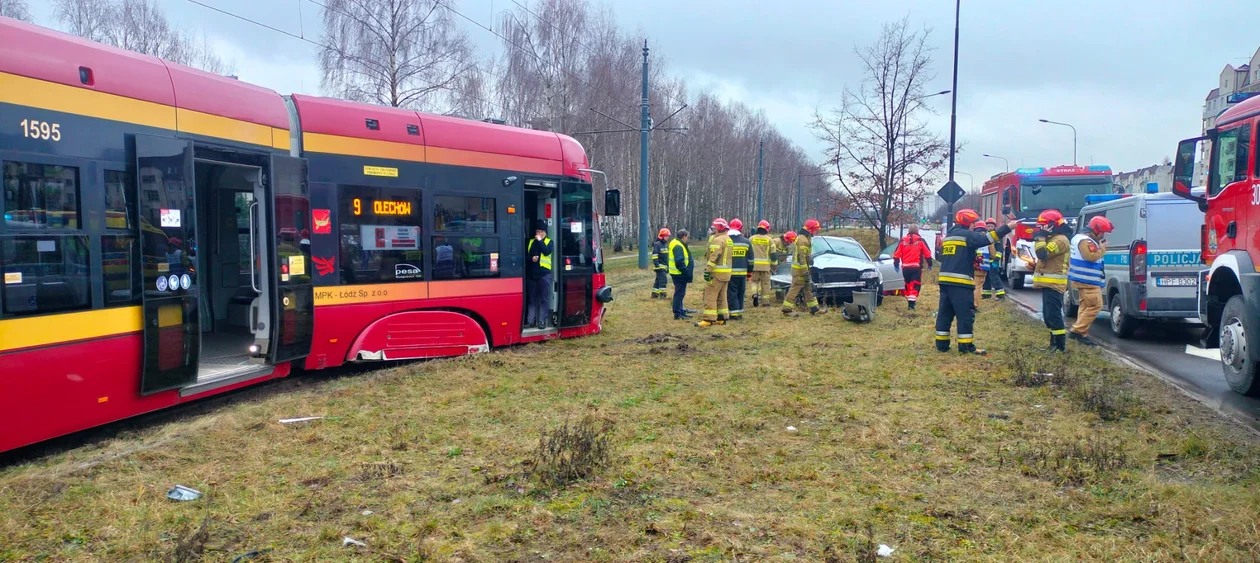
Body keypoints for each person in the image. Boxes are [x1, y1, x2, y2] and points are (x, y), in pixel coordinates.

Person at [935, 209, 1016, 355]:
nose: (974, 226)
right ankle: (966, 347)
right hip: (961, 283)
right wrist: (1008, 227)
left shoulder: (949, 236)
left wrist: (971, 259)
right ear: (967, 223)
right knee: (965, 315)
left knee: (945, 314)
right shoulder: (967, 235)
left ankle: (942, 345)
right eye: (973, 223)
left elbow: (952, 257)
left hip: (945, 282)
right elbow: (987, 239)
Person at [1068, 215, 1113, 346]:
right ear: (1096, 230)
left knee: (1085, 306)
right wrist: (1102, 249)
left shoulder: (1079, 238)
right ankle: (1077, 331)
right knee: (1095, 306)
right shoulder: (1085, 241)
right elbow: (1091, 257)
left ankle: (1082, 333)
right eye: (1102, 232)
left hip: (1083, 279)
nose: (1103, 235)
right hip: (1087, 280)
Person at [1033, 209, 1072, 352]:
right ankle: (1052, 344)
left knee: (1054, 316)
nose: (1040, 229)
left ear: (1051, 225)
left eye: (1042, 226)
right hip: (1047, 283)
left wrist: (1040, 238)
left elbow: (1043, 254)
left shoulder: (1060, 240)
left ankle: (1060, 347)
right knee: (1048, 316)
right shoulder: (1053, 238)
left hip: (1055, 285)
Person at [782, 219, 826, 316]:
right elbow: (801, 258)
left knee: (808, 288)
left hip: (802, 268)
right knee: (796, 288)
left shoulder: (805, 238)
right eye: (815, 229)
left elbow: (805, 256)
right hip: (800, 270)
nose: (816, 231)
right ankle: (786, 309)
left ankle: (814, 308)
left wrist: (809, 259)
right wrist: (805, 272)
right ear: (810, 230)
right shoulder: (803, 240)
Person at [698, 218, 733, 327]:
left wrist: (708, 271)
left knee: (710, 295)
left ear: (718, 228)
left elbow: (714, 257)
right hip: (726, 274)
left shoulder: (718, 240)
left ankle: (708, 319)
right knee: (722, 296)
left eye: (714, 228)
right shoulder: (728, 239)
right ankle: (721, 318)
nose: (713, 230)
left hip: (717, 274)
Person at [891, 224, 933, 309]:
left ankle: (910, 301)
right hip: (916, 267)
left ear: (909, 231)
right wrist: (930, 264)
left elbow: (897, 254)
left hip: (905, 268)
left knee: (908, 284)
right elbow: (927, 253)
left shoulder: (903, 241)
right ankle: (911, 304)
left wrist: (896, 263)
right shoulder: (920, 240)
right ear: (917, 231)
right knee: (915, 285)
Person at [526, 220, 553, 329]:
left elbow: (546, 252)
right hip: (532, 274)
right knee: (531, 299)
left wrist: (540, 241)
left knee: (543, 299)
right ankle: (530, 320)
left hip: (544, 274)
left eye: (542, 231)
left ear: (545, 232)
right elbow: (525, 256)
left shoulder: (549, 242)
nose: (539, 233)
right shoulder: (531, 242)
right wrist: (531, 258)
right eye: (538, 231)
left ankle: (542, 321)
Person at [726, 219, 752, 320]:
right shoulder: (746, 242)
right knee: (741, 293)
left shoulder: (726, 240)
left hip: (729, 272)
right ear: (741, 229)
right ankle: (739, 312)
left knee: (732, 293)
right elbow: (751, 260)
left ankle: (734, 314)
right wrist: (749, 273)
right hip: (742, 273)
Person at [749, 220, 775, 307]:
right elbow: (773, 254)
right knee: (765, 283)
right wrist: (774, 265)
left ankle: (755, 295)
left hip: (754, 265)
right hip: (765, 266)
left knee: (754, 282)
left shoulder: (752, 239)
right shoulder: (769, 240)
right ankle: (765, 302)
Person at [669, 229, 694, 320]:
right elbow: (679, 261)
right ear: (684, 236)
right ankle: (678, 314)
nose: (687, 239)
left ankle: (680, 311)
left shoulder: (675, 242)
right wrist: (686, 272)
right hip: (679, 274)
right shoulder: (678, 246)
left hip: (677, 273)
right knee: (679, 294)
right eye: (687, 237)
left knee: (680, 293)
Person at [982, 218, 1006, 300]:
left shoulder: (997, 237)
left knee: (994, 277)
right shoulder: (984, 236)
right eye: (988, 226)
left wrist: (996, 261)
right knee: (986, 278)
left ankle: (1000, 294)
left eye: (991, 226)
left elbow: (1000, 250)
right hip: (985, 261)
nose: (989, 228)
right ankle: (986, 294)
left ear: (994, 227)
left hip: (993, 262)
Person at [972, 221, 991, 310]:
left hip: (971, 265)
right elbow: (993, 254)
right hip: (983, 267)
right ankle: (974, 305)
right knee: (978, 286)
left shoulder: (971, 237)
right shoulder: (988, 239)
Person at [651, 228, 671, 299]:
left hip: (664, 267)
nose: (668, 238)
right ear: (662, 236)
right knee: (663, 281)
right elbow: (654, 255)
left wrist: (667, 267)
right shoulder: (657, 244)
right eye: (666, 236)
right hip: (659, 267)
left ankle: (654, 294)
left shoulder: (664, 245)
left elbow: (666, 257)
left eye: (668, 236)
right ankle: (663, 295)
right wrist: (657, 264)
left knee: (658, 281)